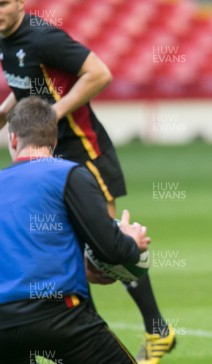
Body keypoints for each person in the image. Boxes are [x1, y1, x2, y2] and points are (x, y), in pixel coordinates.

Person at [0, 1, 174, 362]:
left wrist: (50, 116)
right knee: (72, 258)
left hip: (83, 151)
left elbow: (99, 73)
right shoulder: (7, 39)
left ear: (20, 3)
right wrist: (5, 115)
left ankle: (157, 329)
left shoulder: (44, 37)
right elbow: (27, 86)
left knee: (104, 245)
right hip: (44, 152)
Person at [0, 97, 149, 363]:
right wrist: (131, 242)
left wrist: (81, 263)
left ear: (13, 139)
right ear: (54, 141)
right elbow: (110, 248)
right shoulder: (68, 173)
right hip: (59, 316)